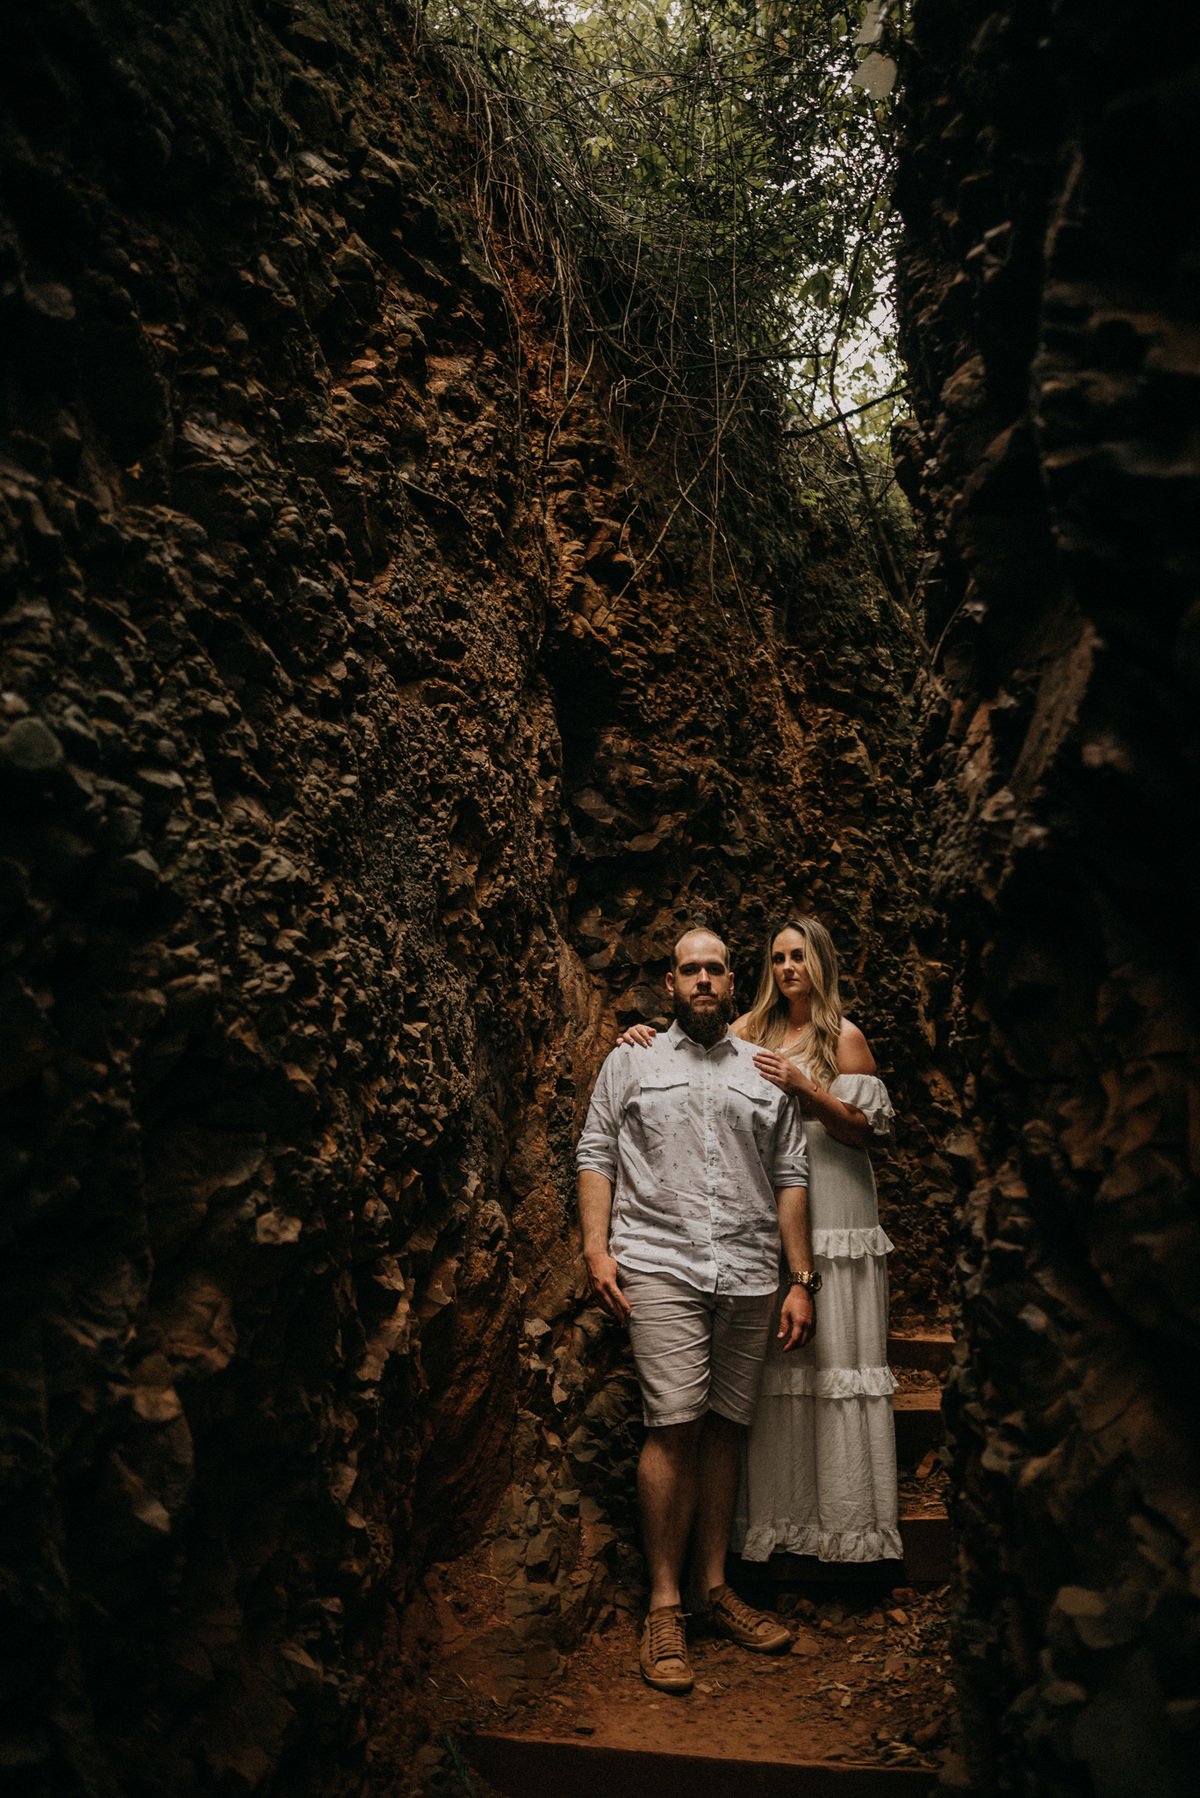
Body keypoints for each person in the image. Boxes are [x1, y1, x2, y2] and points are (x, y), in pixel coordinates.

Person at [576, 927, 817, 1694]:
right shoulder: (633, 1059)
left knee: (725, 1427)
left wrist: (801, 1277)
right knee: (672, 1424)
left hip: (748, 1271)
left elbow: (791, 1171)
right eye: (691, 970)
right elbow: (595, 1151)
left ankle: (715, 1591)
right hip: (660, 1265)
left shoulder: (764, 1070)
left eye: (716, 968)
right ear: (672, 986)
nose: (705, 980)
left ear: (730, 979)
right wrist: (594, 1249)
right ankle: (664, 1605)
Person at [618, 916, 901, 1565]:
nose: (787, 968)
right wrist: (643, 1038)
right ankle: (784, 1519)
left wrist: (808, 1088)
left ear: (820, 962)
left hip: (838, 1195)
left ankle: (848, 1522)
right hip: (784, 1204)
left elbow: (867, 1133)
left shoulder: (843, 1038)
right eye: (777, 957)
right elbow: (693, 1040)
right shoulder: (753, 1029)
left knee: (840, 1363)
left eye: (798, 956)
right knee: (782, 1370)